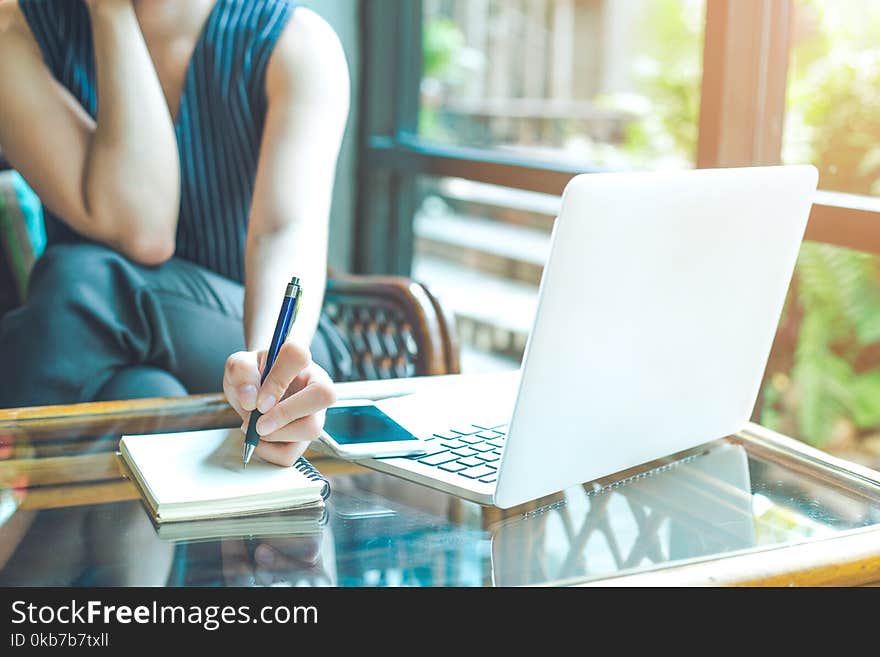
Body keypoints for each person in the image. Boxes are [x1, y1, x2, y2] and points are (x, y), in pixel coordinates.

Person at [0, 0, 350, 466]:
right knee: (144, 395)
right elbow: (142, 226)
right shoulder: (16, 33)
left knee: (80, 280)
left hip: (257, 334)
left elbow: (283, 232)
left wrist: (271, 369)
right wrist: (111, 14)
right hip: (90, 358)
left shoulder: (293, 42)